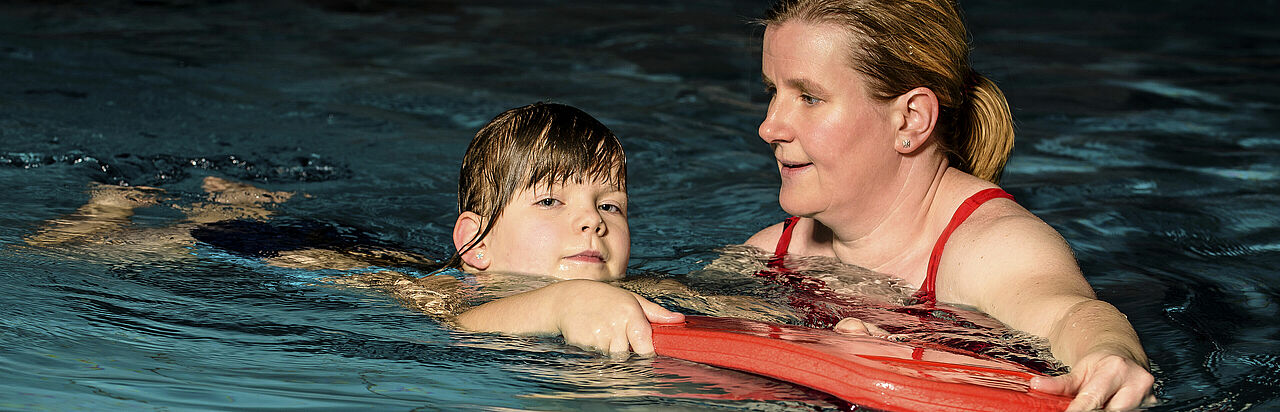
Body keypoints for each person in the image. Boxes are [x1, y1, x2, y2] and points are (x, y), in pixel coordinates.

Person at [741, 0, 1155, 410]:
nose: (768, 127)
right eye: (773, 92)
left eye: (809, 97)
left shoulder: (991, 248)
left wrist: (1108, 356)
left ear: (910, 119)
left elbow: (1070, 315)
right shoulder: (771, 252)